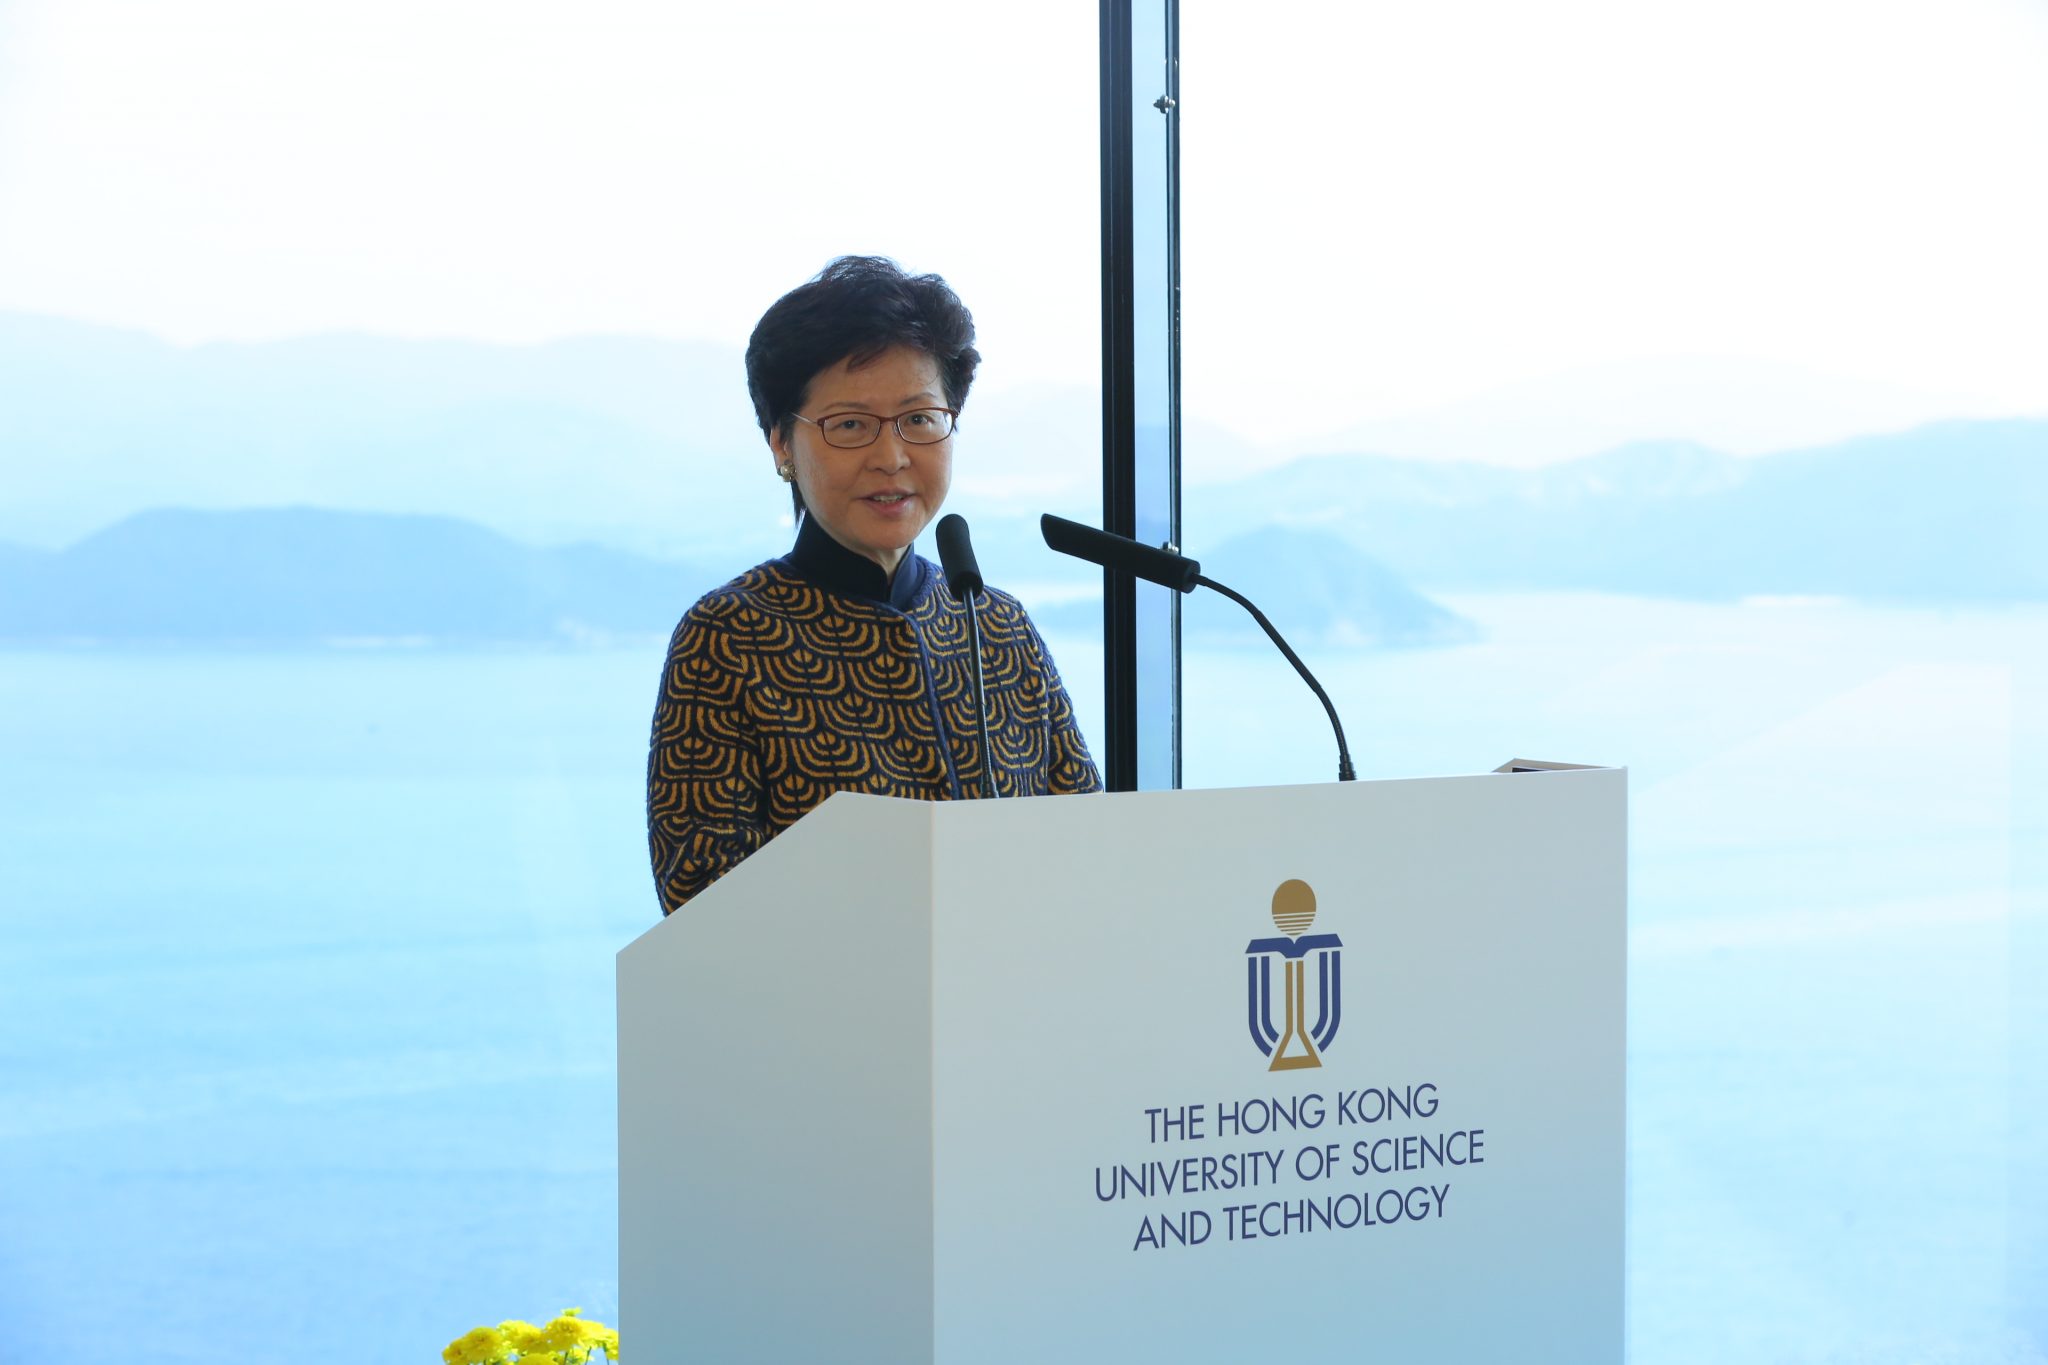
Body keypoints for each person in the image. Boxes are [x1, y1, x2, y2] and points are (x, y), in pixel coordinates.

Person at [645, 256, 1102, 915]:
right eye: (850, 424)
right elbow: (702, 903)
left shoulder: (998, 626)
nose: (891, 457)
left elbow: (1095, 851)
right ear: (781, 445)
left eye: (919, 419)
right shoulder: (728, 637)